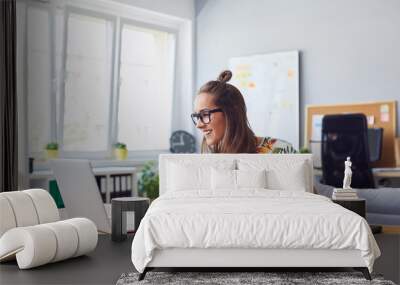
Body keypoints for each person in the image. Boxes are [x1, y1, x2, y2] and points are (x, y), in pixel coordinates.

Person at [191, 70, 297, 154]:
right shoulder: (210, 158)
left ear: (232, 112)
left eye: (205, 114)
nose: (198, 125)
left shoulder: (281, 151)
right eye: (197, 116)